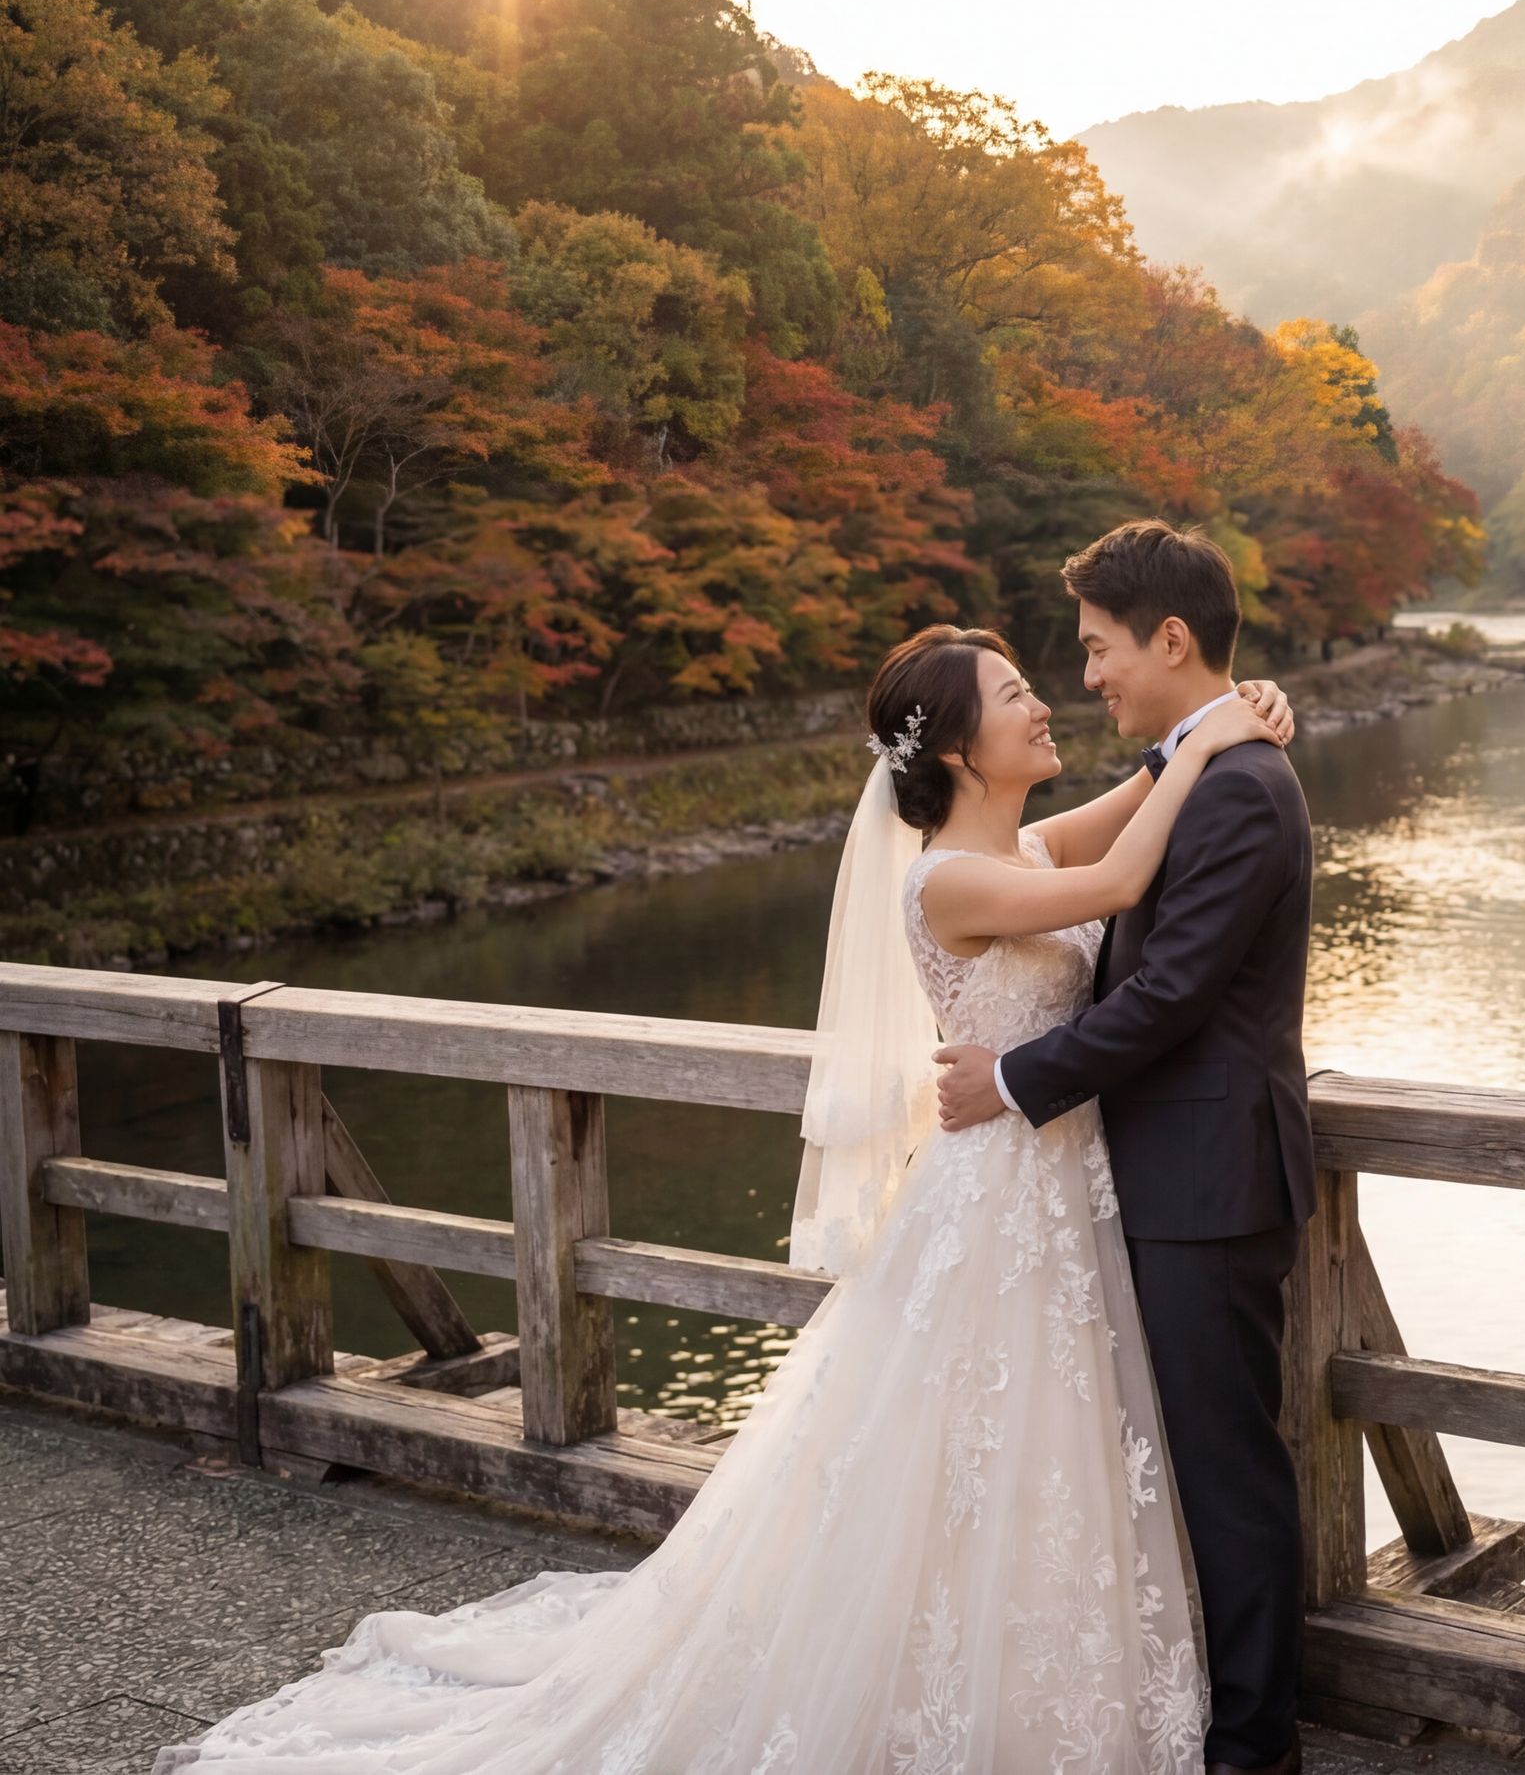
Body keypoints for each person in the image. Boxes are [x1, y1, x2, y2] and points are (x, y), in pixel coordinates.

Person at [158, 599, 1303, 1772]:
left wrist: (1221, 719)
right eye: (1016, 698)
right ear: (960, 748)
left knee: (1043, 1447)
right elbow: (1123, 878)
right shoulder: (950, 883)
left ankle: (1019, 1674)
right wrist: (1214, 741)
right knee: (968, 1440)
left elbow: (1134, 806)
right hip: (996, 1200)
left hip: (1067, 1195)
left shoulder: (1026, 847)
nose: (1047, 700)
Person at [936, 520, 1318, 1775]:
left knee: (1227, 1473)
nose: (1086, 675)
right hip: (1142, 1178)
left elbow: (1170, 999)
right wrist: (1215, 725)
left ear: (1170, 639)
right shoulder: (1198, 771)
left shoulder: (1246, 791)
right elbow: (1116, 906)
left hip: (1207, 1183)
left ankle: (1255, 1747)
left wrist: (1007, 1079)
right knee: (1150, 1466)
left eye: (1100, 649)